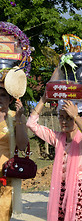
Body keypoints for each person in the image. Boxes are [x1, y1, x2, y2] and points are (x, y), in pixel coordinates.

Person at [27, 96, 82, 220]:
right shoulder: (57, 138)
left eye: (69, 118)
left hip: (79, 191)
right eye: (61, 117)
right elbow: (31, 124)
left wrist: (76, 116)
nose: (64, 121)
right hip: (60, 189)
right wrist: (43, 100)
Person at [0, 88, 29, 220]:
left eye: (3, 95)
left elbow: (22, 146)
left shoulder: (15, 117)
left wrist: (19, 119)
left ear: (10, 99)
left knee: (3, 214)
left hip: (6, 177)